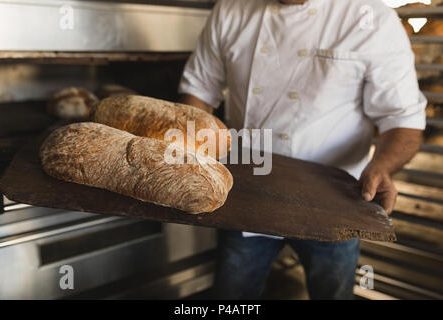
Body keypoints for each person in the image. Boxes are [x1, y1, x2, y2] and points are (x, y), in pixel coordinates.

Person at [178, 0, 426, 299]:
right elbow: (199, 90)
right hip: (245, 194)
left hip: (335, 201)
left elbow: (403, 121)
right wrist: (197, 154)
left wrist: (382, 166)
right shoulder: (231, 9)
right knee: (233, 294)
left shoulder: (373, 17)